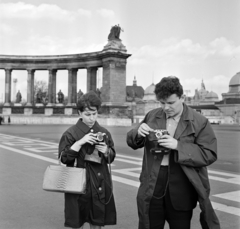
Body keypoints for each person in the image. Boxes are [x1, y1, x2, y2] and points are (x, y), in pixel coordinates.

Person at [126, 76, 220, 229]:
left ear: (182, 97)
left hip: (182, 186)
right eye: (161, 103)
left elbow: (209, 153)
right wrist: (137, 132)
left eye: (170, 103)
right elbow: (132, 142)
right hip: (153, 184)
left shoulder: (200, 121)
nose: (165, 107)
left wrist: (178, 145)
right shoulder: (152, 115)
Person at [58, 91, 117, 229]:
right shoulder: (70, 133)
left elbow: (111, 156)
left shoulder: (104, 132)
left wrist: (106, 151)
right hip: (78, 183)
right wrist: (79, 143)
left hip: (99, 183)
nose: (91, 118)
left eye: (94, 114)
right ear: (79, 113)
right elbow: (64, 159)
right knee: (77, 221)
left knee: (97, 222)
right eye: (87, 114)